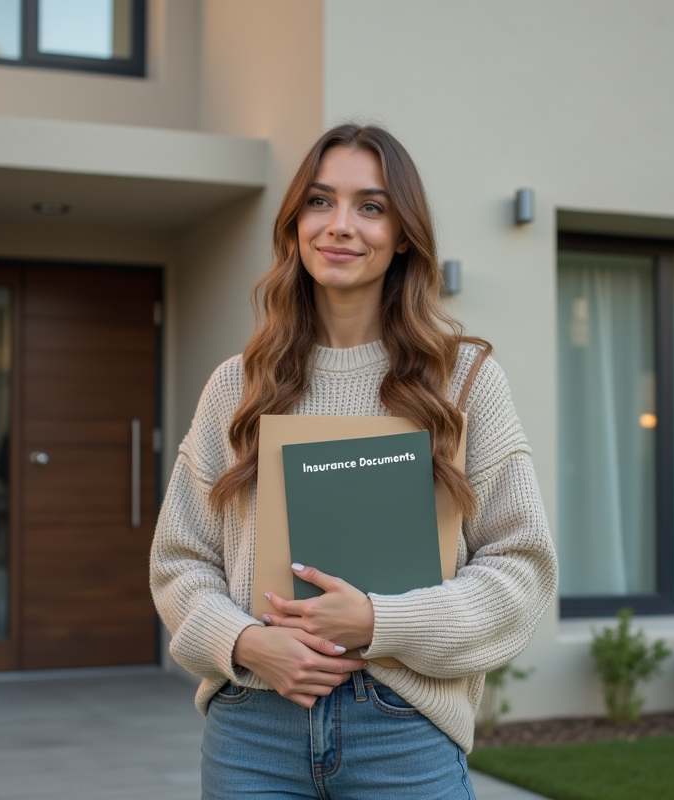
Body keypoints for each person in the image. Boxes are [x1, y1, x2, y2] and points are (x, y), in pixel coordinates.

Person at [150, 123, 557, 799]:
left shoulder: (465, 382)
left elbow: (521, 568)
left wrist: (380, 622)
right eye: (320, 201)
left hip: (403, 729)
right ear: (294, 223)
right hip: (255, 728)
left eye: (370, 206)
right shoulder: (236, 386)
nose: (340, 225)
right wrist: (249, 643)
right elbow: (180, 562)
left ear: (403, 234)